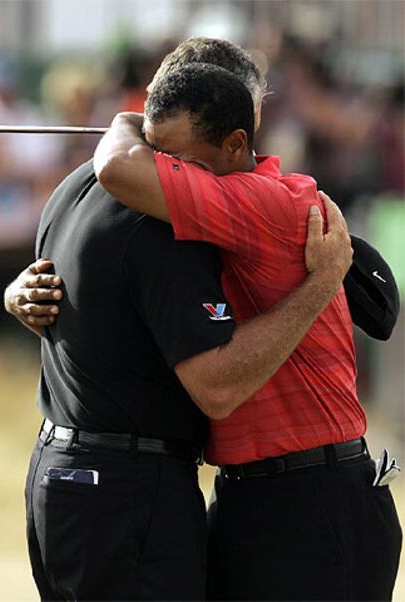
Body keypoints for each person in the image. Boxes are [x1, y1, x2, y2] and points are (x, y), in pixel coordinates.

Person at [3, 64, 353, 601]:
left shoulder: (73, 185)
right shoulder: (166, 221)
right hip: (128, 495)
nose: (173, 172)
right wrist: (323, 281)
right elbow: (217, 388)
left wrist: (12, 295)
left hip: (58, 480)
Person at [90, 61, 402, 601]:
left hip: (315, 504)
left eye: (178, 159)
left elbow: (118, 165)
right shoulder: (237, 197)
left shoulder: (260, 202)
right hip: (254, 496)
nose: (166, 168)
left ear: (237, 144)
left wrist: (125, 121)